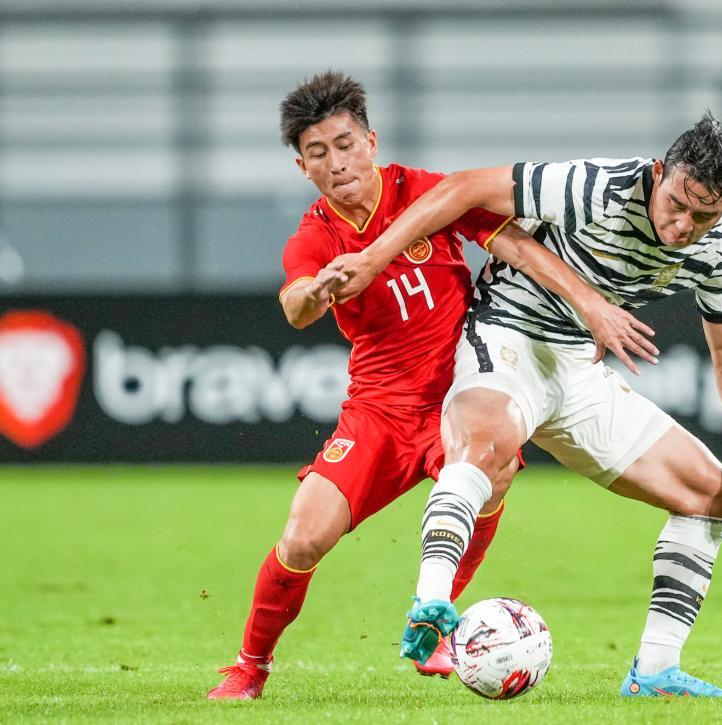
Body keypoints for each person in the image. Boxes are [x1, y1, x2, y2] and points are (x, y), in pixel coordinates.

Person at [207, 71, 656, 700]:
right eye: (318, 153)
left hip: (463, 394)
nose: (337, 163)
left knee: (494, 473)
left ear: (371, 142)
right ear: (302, 167)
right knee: (303, 537)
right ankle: (249, 666)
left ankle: (436, 620)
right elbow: (295, 306)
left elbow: (518, 247)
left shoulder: (426, 194)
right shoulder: (316, 235)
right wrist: (317, 290)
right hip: (380, 412)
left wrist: (591, 305)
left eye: (345, 144)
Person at [332, 113, 722, 699]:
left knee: (712, 495)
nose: (683, 227)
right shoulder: (597, 186)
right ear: (658, 174)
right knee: (485, 446)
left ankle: (654, 673)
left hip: (576, 367)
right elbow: (463, 188)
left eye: (703, 217)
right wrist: (372, 259)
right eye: (677, 204)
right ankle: (431, 601)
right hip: (508, 334)